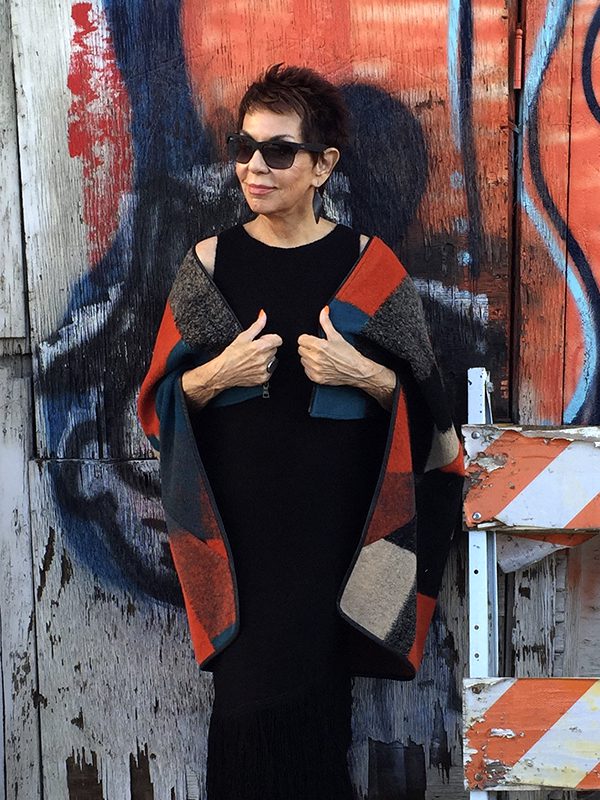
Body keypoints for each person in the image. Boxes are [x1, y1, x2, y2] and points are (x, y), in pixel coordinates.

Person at [138, 63, 464, 800]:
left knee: (320, 722)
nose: (255, 166)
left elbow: (436, 429)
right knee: (249, 722)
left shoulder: (369, 271)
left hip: (340, 541)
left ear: (323, 166)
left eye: (279, 151)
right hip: (240, 541)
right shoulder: (208, 268)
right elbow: (160, 409)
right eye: (244, 147)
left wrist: (369, 378)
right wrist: (217, 376)